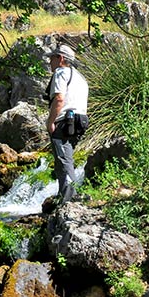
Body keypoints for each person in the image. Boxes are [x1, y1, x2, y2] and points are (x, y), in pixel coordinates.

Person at [45, 43, 89, 206]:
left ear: (61, 58)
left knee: (63, 160)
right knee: (66, 158)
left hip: (65, 120)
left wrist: (50, 122)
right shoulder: (80, 77)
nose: (50, 62)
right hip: (81, 119)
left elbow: (59, 99)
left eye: (52, 58)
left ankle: (68, 199)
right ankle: (67, 194)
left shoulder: (61, 72)